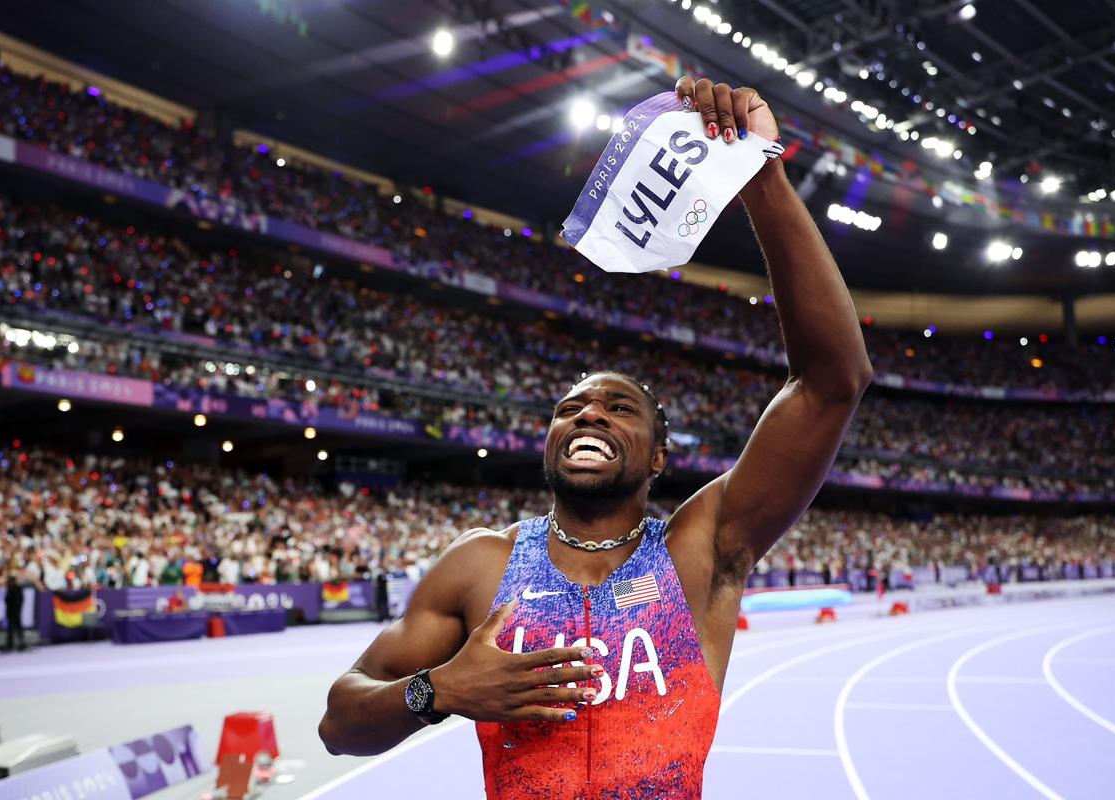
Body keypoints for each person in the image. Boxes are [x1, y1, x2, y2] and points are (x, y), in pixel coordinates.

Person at [318, 76, 873, 798]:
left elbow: (834, 380)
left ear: (658, 457)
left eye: (619, 409)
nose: (588, 415)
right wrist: (439, 690)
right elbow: (338, 722)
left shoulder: (702, 549)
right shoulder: (479, 568)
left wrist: (760, 172)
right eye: (571, 407)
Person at [4, 571, 27, 652]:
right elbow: (7, 601)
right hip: (12, 613)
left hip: (15, 613)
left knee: (16, 629)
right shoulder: (11, 588)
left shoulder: (16, 588)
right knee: (13, 629)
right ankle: (11, 645)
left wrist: (16, 612)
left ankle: (21, 644)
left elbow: (16, 601)